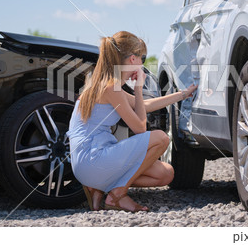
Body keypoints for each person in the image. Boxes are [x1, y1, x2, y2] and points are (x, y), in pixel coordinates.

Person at [67, 31, 198, 212]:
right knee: (160, 138)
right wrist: (138, 88)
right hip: (92, 159)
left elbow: (144, 105)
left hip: (89, 162)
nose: (142, 64)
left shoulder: (104, 84)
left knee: (165, 174)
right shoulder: (111, 87)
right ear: (132, 59)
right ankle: (117, 194)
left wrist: (183, 94)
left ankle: (100, 187)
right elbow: (140, 128)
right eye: (142, 58)